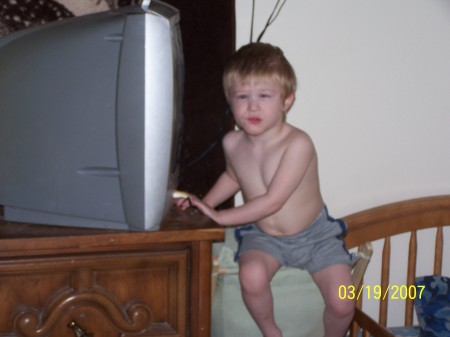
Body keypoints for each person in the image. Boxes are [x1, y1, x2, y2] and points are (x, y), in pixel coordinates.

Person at [175, 42, 355, 337]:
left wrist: (219, 217)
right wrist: (203, 205)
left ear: (287, 100)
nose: (253, 106)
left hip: (315, 237)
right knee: (251, 275)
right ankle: (271, 332)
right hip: (265, 237)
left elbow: (272, 201)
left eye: (264, 96)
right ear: (230, 102)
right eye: (242, 96)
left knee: (342, 303)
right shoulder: (232, 143)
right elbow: (233, 178)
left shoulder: (298, 145)